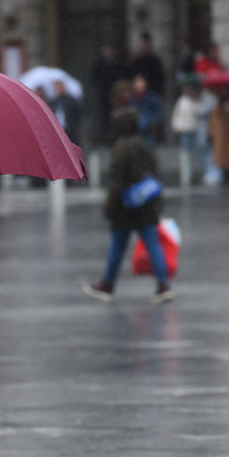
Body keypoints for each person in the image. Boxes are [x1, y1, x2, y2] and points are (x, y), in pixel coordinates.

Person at [82, 108, 174, 304]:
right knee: (153, 245)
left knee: (117, 246)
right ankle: (163, 284)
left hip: (124, 207)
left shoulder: (120, 147)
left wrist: (110, 206)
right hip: (146, 205)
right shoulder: (144, 145)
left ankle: (108, 284)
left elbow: (116, 182)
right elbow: (154, 174)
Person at [90, 45, 130, 142]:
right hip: (104, 95)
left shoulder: (118, 65)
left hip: (116, 94)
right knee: (105, 117)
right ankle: (107, 136)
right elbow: (94, 79)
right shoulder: (100, 65)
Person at [208, 87, 229, 185]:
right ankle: (224, 176)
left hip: (227, 135)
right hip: (221, 135)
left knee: (228, 158)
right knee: (222, 158)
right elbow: (214, 119)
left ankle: (228, 176)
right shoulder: (218, 105)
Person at [128, 75, 164, 145]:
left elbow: (157, 113)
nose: (139, 87)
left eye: (141, 85)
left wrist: (153, 121)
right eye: (137, 85)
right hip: (137, 131)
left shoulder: (152, 98)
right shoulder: (132, 100)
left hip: (149, 129)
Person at [48, 79, 82, 145]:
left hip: (70, 130)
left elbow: (76, 114)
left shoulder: (71, 100)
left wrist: (74, 126)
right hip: (58, 130)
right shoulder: (54, 102)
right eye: (57, 87)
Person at [132, 32, 166, 97]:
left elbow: (159, 77)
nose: (143, 46)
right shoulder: (137, 61)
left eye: (145, 44)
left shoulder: (154, 60)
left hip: (152, 90)